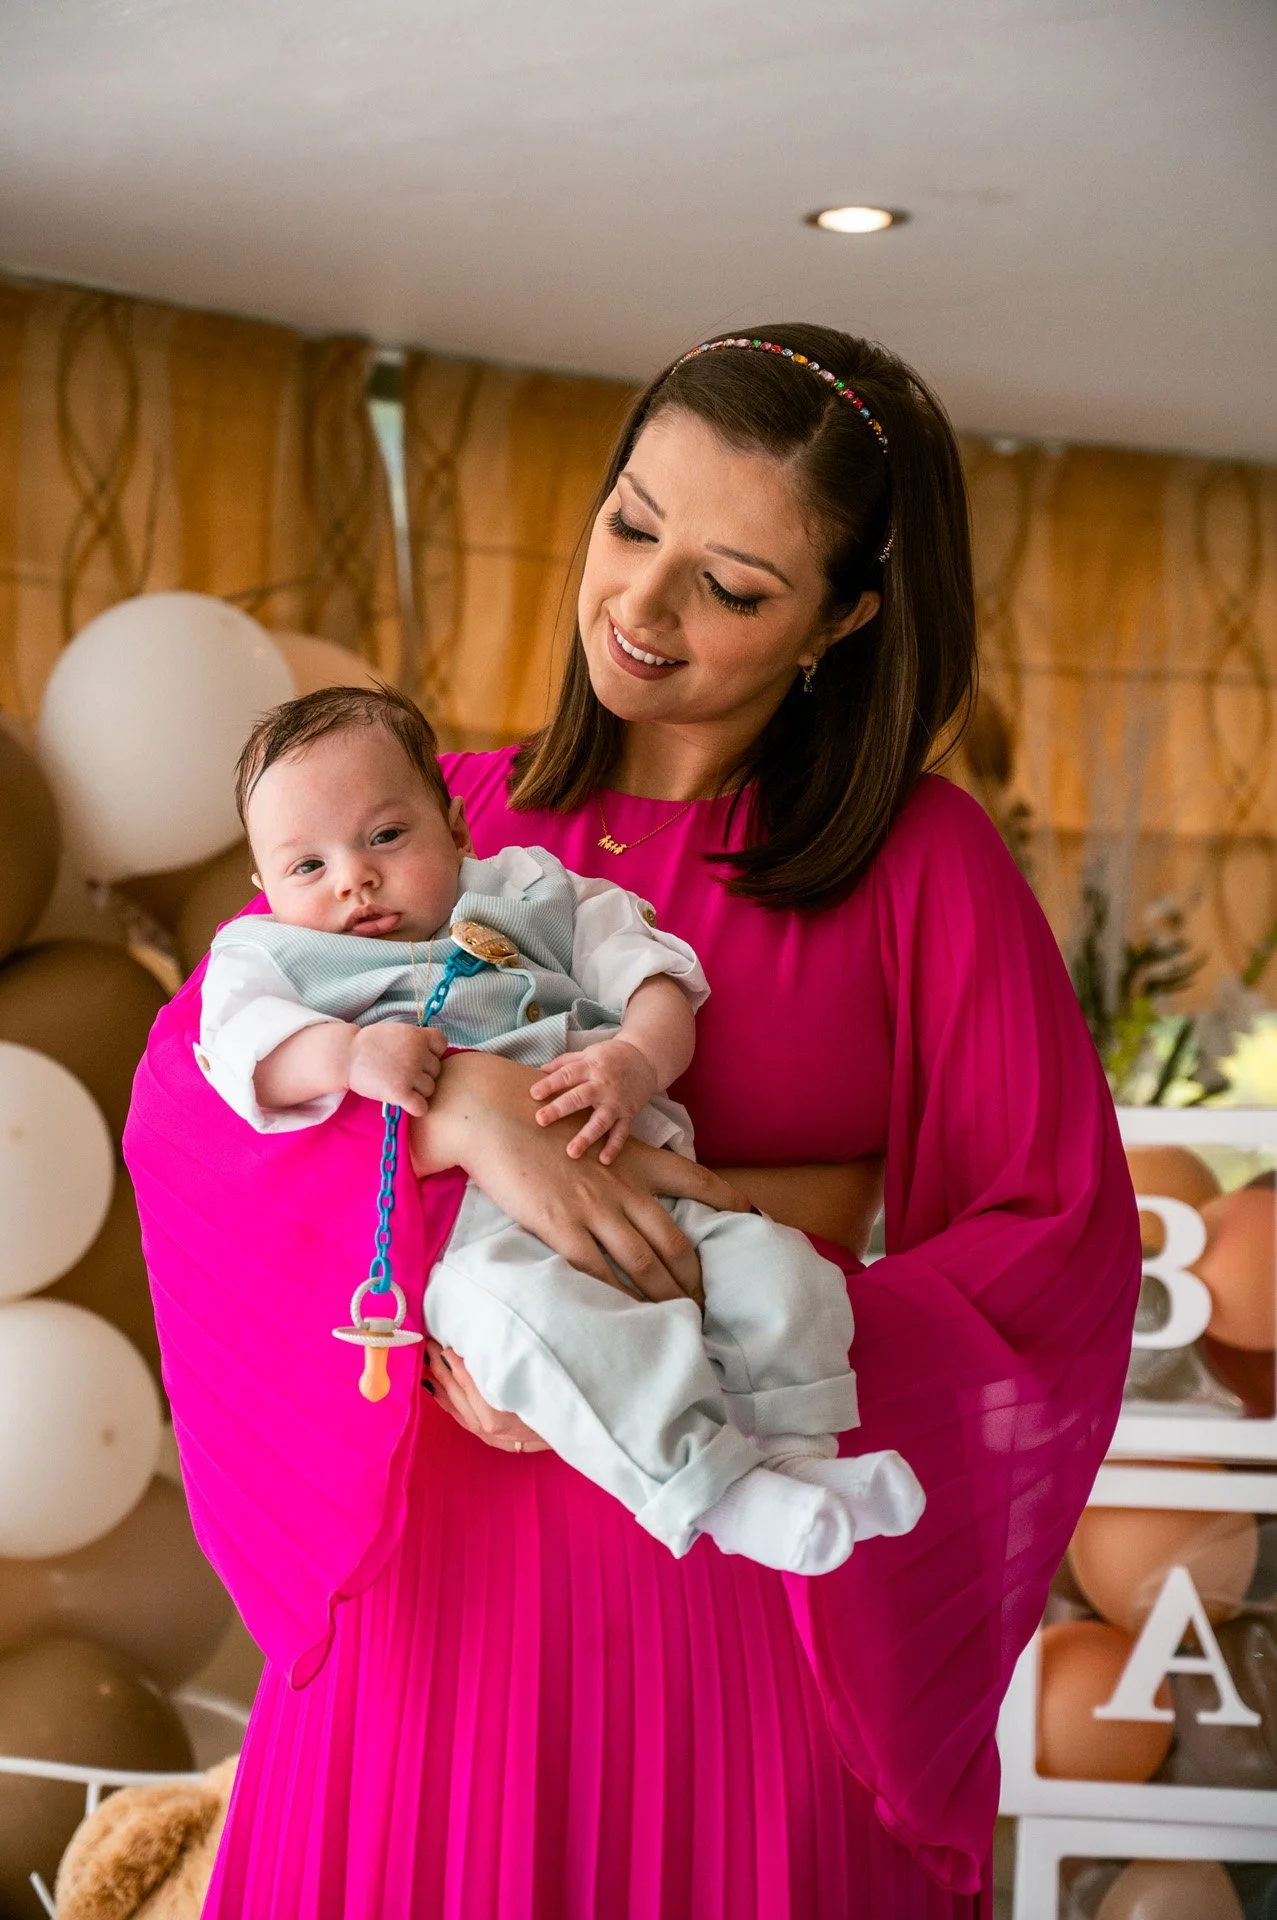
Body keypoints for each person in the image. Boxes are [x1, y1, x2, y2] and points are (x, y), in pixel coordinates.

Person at [126, 324, 1141, 1919]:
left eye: (733, 586)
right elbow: (192, 1106)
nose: (643, 609)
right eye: (629, 525)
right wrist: (458, 1115)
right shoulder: (420, 816)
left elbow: (1056, 1244)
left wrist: (731, 1309)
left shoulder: (923, 867)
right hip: (435, 1616)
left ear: (843, 619)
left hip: (743, 1598)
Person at [196, 683, 923, 1574]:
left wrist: (638, 1060)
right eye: (306, 866)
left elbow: (655, 979)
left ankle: (799, 1457)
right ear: (262, 885)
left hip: (629, 1168)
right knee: (549, 1332)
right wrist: (344, 1056)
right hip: (472, 1239)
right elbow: (241, 1054)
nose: (353, 877)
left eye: (386, 836)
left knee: (783, 1274)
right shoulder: (266, 956)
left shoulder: (533, 889)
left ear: (454, 826)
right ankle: (718, 1493)